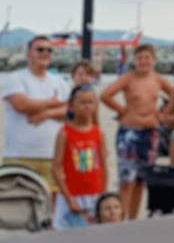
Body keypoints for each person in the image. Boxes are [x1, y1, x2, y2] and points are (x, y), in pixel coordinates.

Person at [100, 43, 174, 220]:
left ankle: (133, 220)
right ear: (135, 61)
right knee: (127, 181)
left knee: (141, 180)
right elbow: (105, 95)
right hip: (130, 132)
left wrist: (163, 114)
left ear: (153, 60)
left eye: (147, 57)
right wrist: (122, 110)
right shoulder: (128, 78)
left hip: (150, 133)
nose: (143, 61)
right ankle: (119, 218)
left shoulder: (158, 79)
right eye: (140, 58)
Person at [2, 36, 70, 192]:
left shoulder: (60, 82)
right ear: (28, 54)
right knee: (19, 205)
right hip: (19, 155)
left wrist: (45, 114)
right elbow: (21, 104)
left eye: (49, 50)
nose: (45, 53)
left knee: (53, 204)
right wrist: (52, 103)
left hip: (54, 155)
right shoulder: (15, 78)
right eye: (40, 49)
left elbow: (71, 110)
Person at [51, 85, 108, 229]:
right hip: (71, 194)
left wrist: (103, 195)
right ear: (71, 106)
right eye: (82, 102)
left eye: (90, 102)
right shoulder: (64, 133)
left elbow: (104, 166)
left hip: (94, 194)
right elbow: (55, 169)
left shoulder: (98, 133)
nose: (87, 106)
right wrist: (69, 199)